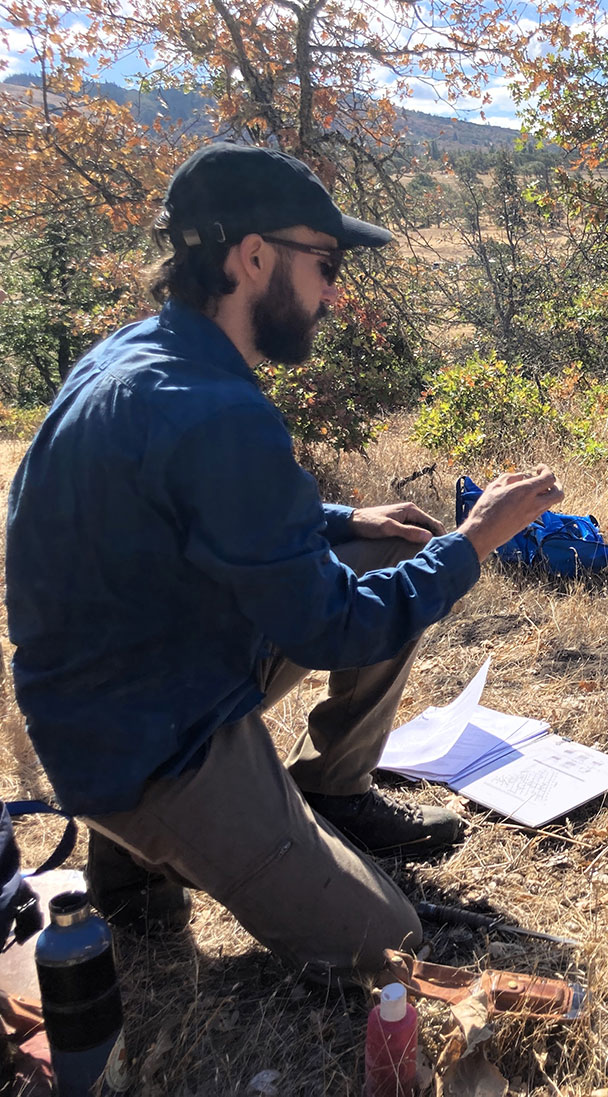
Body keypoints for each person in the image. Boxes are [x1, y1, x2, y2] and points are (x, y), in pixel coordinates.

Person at [5, 143, 564, 986]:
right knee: (385, 942)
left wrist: (347, 516)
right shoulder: (216, 411)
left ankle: (324, 792)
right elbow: (336, 625)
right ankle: (149, 843)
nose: (335, 291)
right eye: (326, 263)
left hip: (112, 696)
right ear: (252, 256)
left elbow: (191, 512)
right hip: (157, 741)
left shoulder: (140, 357)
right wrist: (474, 540)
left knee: (381, 545)